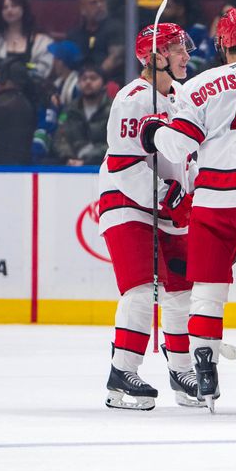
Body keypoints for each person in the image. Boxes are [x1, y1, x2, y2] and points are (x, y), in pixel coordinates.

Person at [138, 8, 236, 414]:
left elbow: (178, 148)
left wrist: (156, 131)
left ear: (221, 42)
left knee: (208, 294)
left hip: (215, 201)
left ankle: (205, 376)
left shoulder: (198, 85)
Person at [98, 22, 203, 411]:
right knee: (141, 289)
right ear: (156, 57)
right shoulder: (132, 100)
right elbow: (125, 165)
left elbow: (187, 158)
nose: (186, 56)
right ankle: (122, 374)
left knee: (180, 290)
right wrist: (170, 197)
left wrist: (196, 198)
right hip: (127, 202)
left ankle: (181, 370)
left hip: (169, 207)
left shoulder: (181, 98)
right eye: (178, 50)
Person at [53, 63, 111, 166]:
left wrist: (89, 158)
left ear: (104, 83)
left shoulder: (113, 109)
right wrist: (68, 157)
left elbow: (115, 144)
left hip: (103, 166)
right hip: (71, 166)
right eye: (84, 79)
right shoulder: (70, 110)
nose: (88, 82)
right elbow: (60, 137)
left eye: (93, 78)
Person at [66, 0, 124, 81]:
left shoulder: (115, 28)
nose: (99, 5)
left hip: (110, 82)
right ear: (83, 9)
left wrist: (95, 78)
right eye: (93, 3)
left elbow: (115, 58)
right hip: (80, 82)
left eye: (102, 1)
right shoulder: (74, 35)